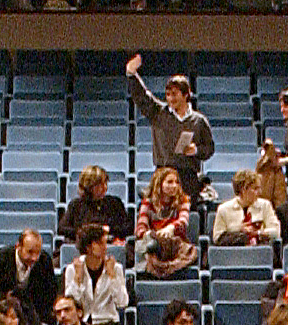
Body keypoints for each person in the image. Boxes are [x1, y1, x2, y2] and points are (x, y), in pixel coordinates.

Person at [126, 56, 215, 199]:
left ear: (186, 95)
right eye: (167, 95)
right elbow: (142, 97)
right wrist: (131, 74)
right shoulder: (159, 113)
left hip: (187, 178)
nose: (170, 98)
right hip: (163, 174)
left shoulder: (199, 121)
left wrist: (196, 150)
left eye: (174, 94)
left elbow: (209, 149)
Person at [59, 165, 131, 253]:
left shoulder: (115, 203)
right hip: (83, 247)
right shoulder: (76, 205)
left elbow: (128, 227)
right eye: (99, 184)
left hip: (109, 247)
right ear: (89, 186)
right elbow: (62, 228)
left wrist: (109, 230)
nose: (104, 187)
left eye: (105, 183)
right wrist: (87, 232)